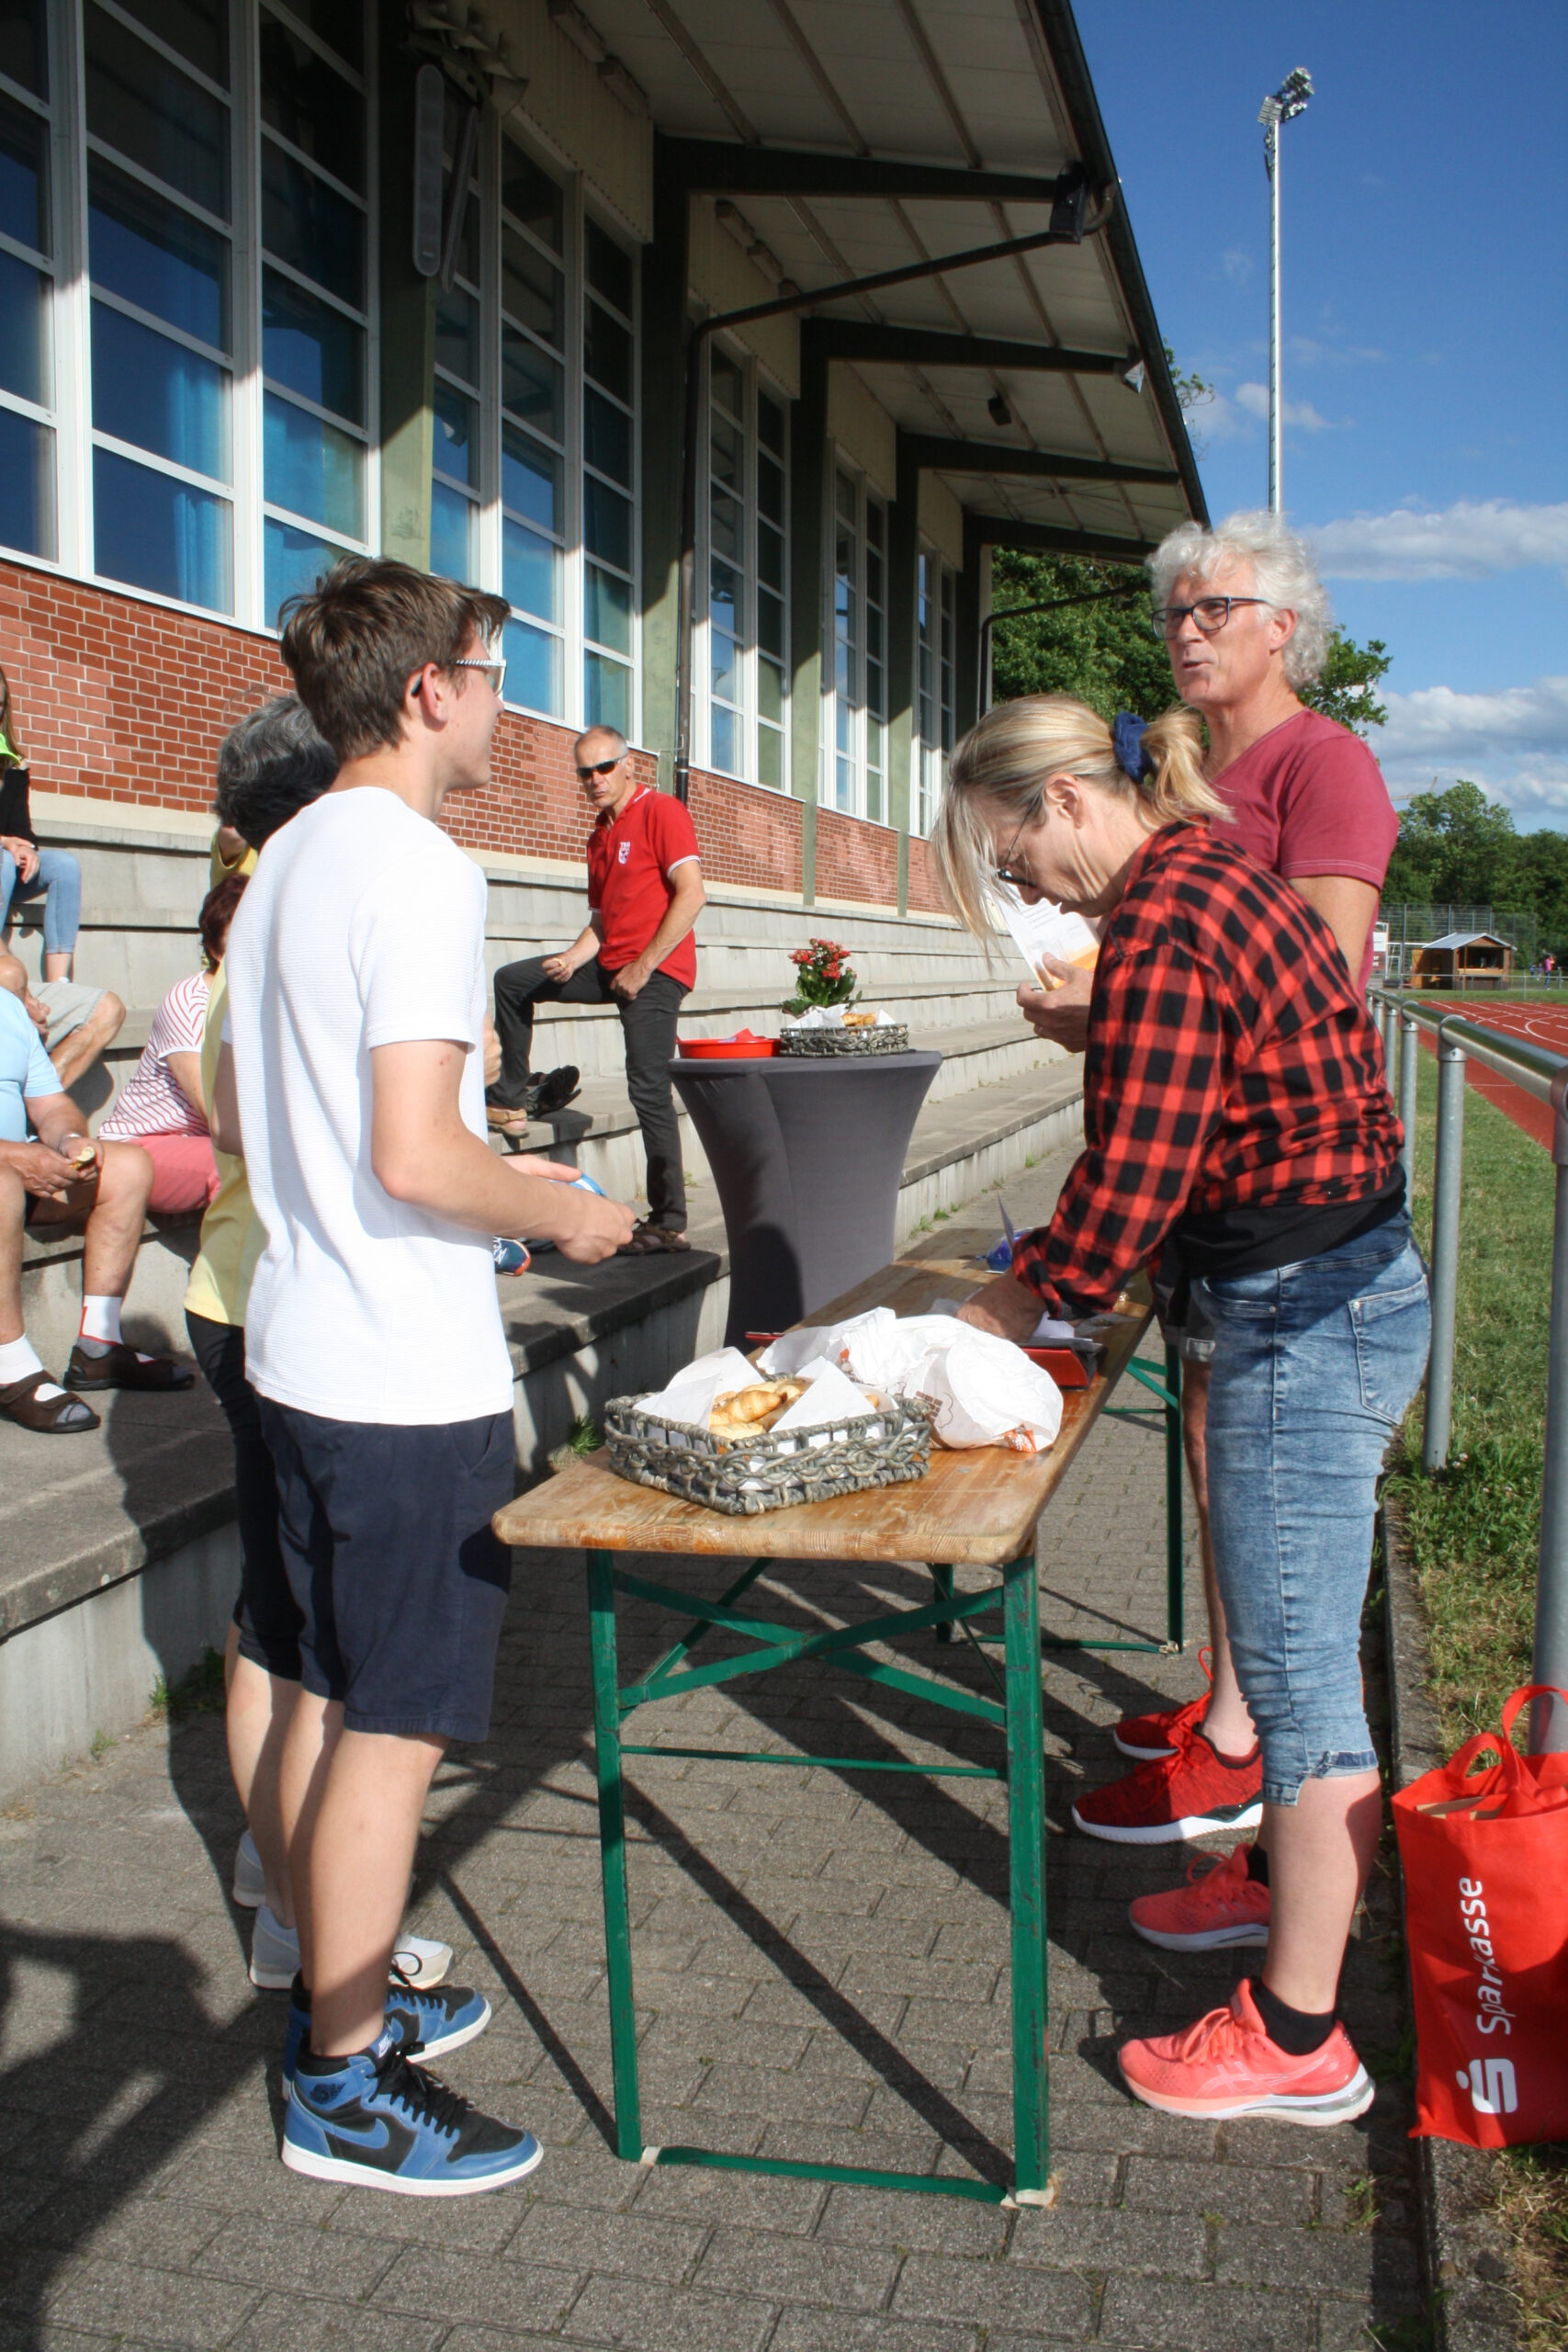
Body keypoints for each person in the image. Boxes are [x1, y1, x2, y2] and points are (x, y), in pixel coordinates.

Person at [935, 693, 1428, 2125]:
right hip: (1327, 1291)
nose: (1026, 894)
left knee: (1297, 1682)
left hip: (1301, 1314)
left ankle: (1298, 2036)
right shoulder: (1208, 873)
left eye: (1014, 861)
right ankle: (1277, 1885)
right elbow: (1184, 1130)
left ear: (1064, 802)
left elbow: (1127, 1183)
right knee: (1293, 1654)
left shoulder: (1162, 918)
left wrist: (997, 1313)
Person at [218, 559, 635, 2194]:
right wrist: (558, 1207)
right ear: (425, 691)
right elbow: (414, 1154)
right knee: (391, 1732)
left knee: (319, 1694)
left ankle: (334, 1998)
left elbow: (260, 1122)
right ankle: (340, 2080)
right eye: (492, 674)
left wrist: (456, 1171)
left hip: (298, 1349)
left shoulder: (284, 859)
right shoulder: (416, 866)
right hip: (397, 1379)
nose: (505, 709)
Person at [1014, 513, 1400, 1877]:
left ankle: (1251, 1765)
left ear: (1283, 626)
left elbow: (1311, 981)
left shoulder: (1321, 764)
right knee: (1217, 1465)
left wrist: (1127, 1010)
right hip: (1227, 1215)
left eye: (1212, 608)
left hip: (1290, 1215)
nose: (1183, 630)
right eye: (1173, 611)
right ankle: (1234, 1716)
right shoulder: (1195, 778)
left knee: (1275, 1527)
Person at [183, 695, 452, 1997]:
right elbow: (251, 1119)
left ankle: (278, 1878)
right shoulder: (291, 918)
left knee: (283, 1629)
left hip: (256, 1298)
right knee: (294, 1645)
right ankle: (301, 1923)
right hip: (275, 1306)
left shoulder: (275, 909)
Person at [486, 727, 705, 1254]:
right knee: (513, 981)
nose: (595, 780)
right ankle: (509, 1101)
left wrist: (643, 967)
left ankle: (669, 1221)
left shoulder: (662, 811)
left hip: (656, 970)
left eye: (604, 767)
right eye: (585, 772)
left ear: (630, 766)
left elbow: (693, 894)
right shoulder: (599, 836)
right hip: (610, 964)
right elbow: (603, 923)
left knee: (647, 1088)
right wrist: (569, 959)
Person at [1, 987, 192, 1433]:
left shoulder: (7, 1006)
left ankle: (98, 1346)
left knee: (126, 1166)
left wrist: (70, 1140)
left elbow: (51, 1104)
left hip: (18, 1165)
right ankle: (9, 1368)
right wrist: (11, 1156)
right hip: (6, 1172)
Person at [0, 669, 126, 1094]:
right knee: (3, 860)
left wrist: (26, 847)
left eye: (0, 704)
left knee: (64, 865)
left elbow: (22, 827)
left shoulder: (13, 763)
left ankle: (59, 982)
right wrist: (6, 844)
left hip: (5, 865)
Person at [96, 878, 246, 1215]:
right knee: (235, 1165)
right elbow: (211, 1107)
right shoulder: (189, 1002)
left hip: (202, 1141)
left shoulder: (257, 1002)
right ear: (215, 950)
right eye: (238, 939)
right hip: (145, 1143)